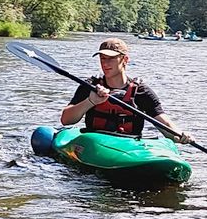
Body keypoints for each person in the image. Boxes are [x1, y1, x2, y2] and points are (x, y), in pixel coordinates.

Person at [59, 37, 191, 143]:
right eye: (102, 59)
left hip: (129, 145)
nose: (105, 64)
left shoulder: (142, 92)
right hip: (95, 143)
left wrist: (179, 134)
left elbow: (163, 121)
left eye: (111, 59)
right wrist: (90, 101)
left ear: (125, 60)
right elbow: (66, 119)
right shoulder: (90, 86)